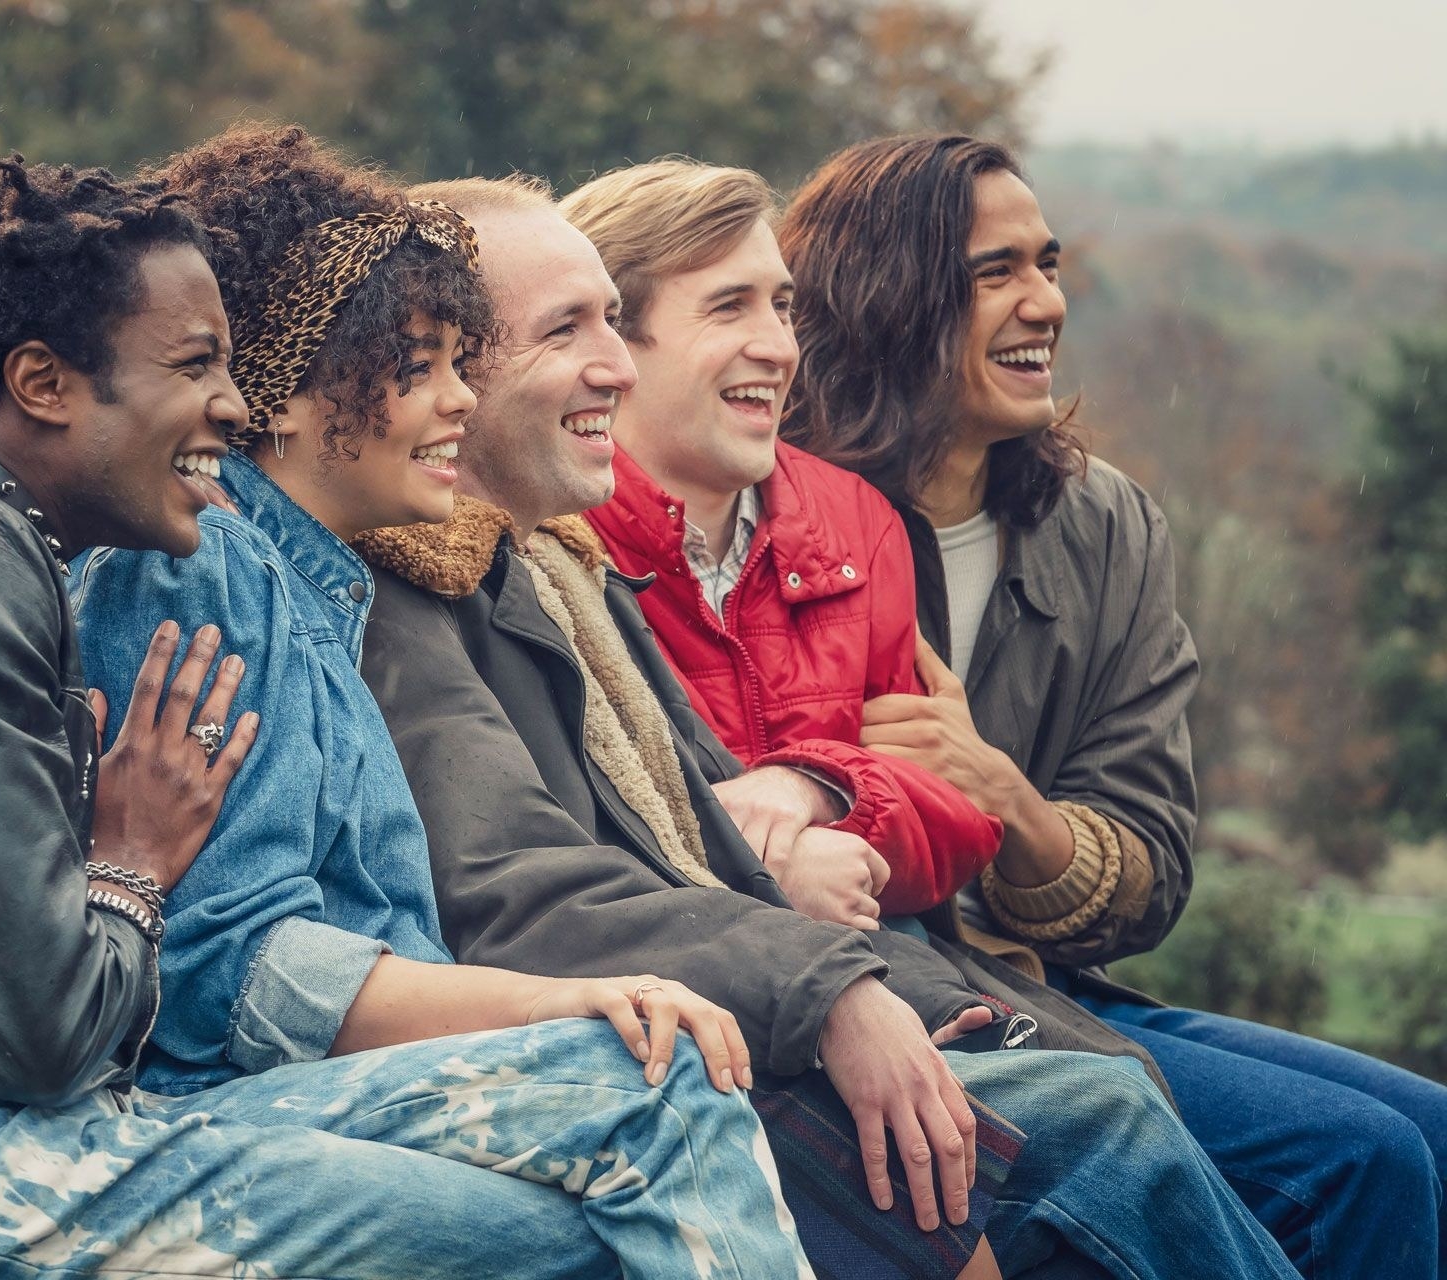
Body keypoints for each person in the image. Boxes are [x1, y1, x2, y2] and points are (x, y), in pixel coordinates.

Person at [356, 170, 1301, 1280]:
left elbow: (926, 814)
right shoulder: (485, 570)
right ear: (440, 375)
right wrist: (840, 980)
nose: (612, 363)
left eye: (784, 306)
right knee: (1122, 1131)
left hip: (840, 973)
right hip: (681, 1033)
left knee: (1299, 1130)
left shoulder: (619, 554)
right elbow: (534, 891)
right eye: (576, 326)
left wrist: (831, 810)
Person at [69, 124, 815, 1280]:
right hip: (212, 1117)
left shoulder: (322, 588)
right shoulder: (201, 565)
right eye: (415, 368)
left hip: (336, 1095)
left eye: (460, 362)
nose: (461, 401)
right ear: (293, 392)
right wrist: (558, 1002)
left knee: (619, 1169)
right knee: (658, 1075)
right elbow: (230, 966)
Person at [780, 132, 1447, 1280]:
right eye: (997, 273)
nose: (1047, 300)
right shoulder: (787, 511)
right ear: (887, 299)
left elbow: (1149, 869)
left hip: (1052, 984)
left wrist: (1007, 800)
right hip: (894, 1007)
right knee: (1360, 1156)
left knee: (1429, 1127)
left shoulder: (1105, 525)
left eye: (1049, 264)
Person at [563, 157, 999, 928]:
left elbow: (957, 820)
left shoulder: (854, 521)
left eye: (783, 308)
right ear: (613, 343)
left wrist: (812, 786)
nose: (778, 348)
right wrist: (767, 870)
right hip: (670, 999)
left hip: (893, 969)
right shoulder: (550, 538)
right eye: (730, 307)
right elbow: (542, 845)